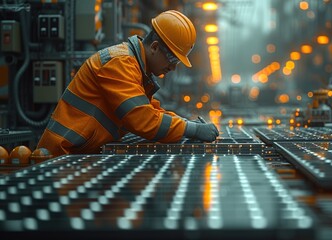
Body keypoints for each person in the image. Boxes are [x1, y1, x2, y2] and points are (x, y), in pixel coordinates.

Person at [37, 10, 219, 157]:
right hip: (61, 155)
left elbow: (151, 111)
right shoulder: (120, 63)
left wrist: (185, 123)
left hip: (78, 154)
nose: (172, 68)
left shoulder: (135, 67)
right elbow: (143, 120)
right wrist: (192, 129)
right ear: (154, 47)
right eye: (172, 60)